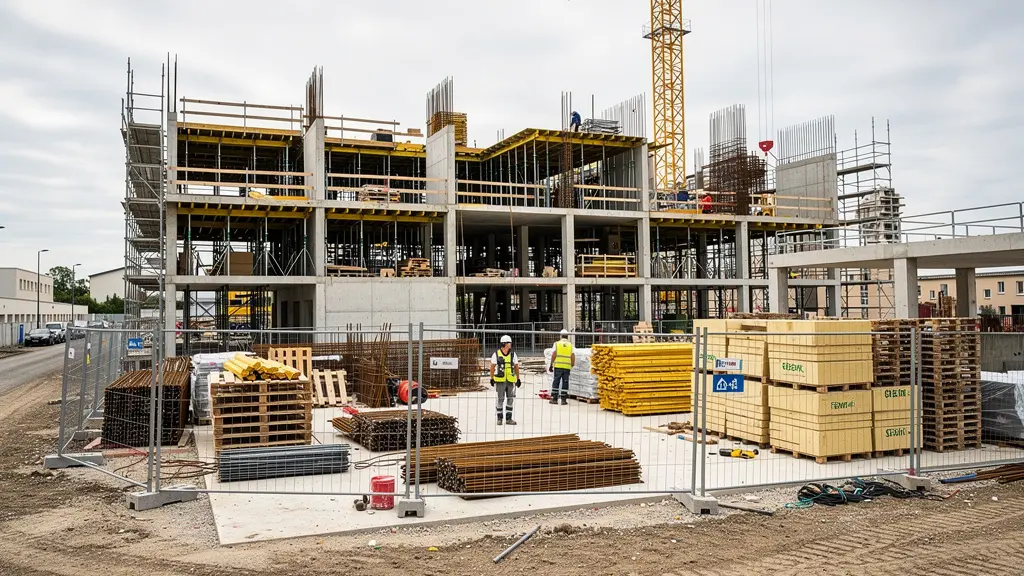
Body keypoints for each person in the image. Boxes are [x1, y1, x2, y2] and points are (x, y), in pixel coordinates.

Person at [489, 335, 521, 425]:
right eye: (509, 343)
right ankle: (499, 418)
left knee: (510, 399)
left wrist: (518, 378)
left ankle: (508, 418)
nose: (510, 344)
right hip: (500, 380)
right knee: (500, 399)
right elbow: (492, 367)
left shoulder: (513, 354)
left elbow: (516, 366)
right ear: (504, 344)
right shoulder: (496, 354)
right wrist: (492, 378)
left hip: (510, 380)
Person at [548, 329, 576, 405]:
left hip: (558, 366)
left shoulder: (557, 344)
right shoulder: (570, 345)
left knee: (556, 382)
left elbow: (554, 354)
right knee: (565, 382)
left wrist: (551, 364)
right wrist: (572, 364)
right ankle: (563, 400)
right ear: (567, 336)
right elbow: (573, 355)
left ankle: (554, 399)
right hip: (567, 367)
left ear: (560, 336)